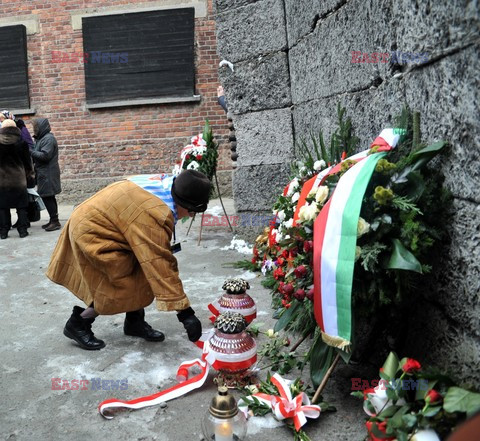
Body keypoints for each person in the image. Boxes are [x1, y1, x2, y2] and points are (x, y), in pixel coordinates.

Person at [46, 169, 210, 350]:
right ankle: (78, 323)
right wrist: (185, 313)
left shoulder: (165, 186)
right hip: (94, 232)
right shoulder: (155, 213)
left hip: (106, 222)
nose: (191, 216)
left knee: (141, 270)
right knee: (119, 285)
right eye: (192, 212)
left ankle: (134, 322)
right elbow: (160, 264)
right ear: (183, 204)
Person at [0, 119, 35, 239]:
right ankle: (23, 231)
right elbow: (27, 163)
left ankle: (3, 232)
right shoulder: (22, 143)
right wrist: (30, 177)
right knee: (21, 206)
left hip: (2, 181)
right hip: (18, 181)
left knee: (3, 207)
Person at [31, 118, 62, 231]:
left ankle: (55, 222)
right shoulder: (42, 138)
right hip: (44, 172)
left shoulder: (48, 139)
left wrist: (30, 151)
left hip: (48, 173)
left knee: (48, 196)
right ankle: (53, 219)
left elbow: (45, 156)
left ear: (41, 127)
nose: (34, 130)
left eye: (36, 128)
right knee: (48, 196)